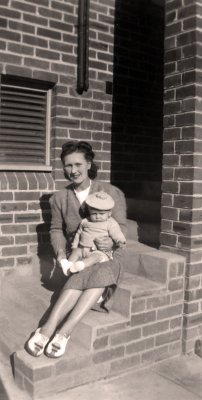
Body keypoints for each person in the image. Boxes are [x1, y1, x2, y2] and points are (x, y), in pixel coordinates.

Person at [26, 140, 127, 358]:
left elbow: (122, 229)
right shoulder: (59, 198)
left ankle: (64, 331)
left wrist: (111, 243)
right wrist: (62, 257)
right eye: (68, 165)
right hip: (77, 253)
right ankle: (47, 329)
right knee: (77, 273)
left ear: (89, 164)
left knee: (100, 270)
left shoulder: (110, 192)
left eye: (78, 164)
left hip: (107, 255)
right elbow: (56, 230)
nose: (73, 171)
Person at [63, 191, 126, 276]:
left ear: (109, 213)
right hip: (83, 249)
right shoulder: (85, 221)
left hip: (99, 251)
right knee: (75, 252)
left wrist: (120, 241)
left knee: (95, 257)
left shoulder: (110, 223)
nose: (97, 216)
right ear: (89, 212)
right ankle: (68, 267)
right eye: (94, 214)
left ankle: (82, 265)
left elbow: (116, 233)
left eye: (101, 214)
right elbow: (78, 234)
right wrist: (74, 246)